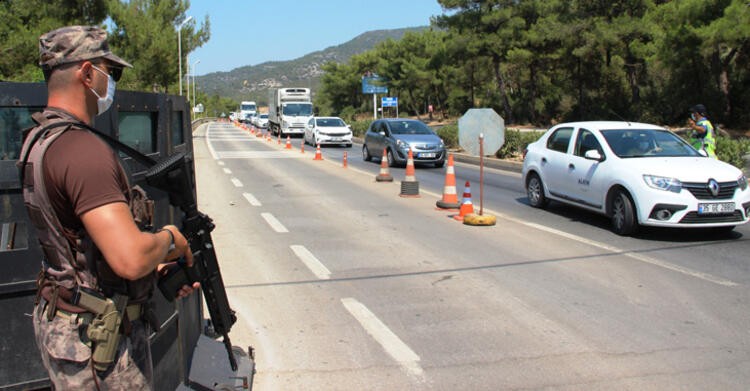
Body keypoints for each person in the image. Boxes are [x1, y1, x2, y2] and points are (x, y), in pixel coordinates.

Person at [18, 26, 199, 390]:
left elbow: (79, 239)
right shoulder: (83, 151)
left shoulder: (40, 138)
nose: (111, 82)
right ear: (87, 73)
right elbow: (129, 258)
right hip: (100, 343)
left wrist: (155, 266)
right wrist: (171, 239)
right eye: (109, 72)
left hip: (67, 322)